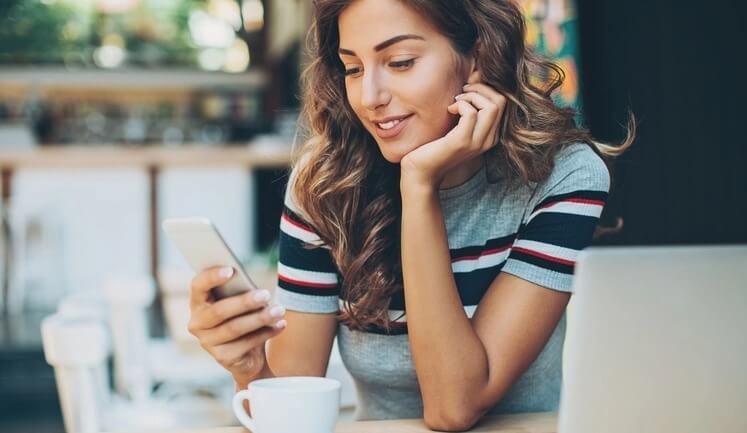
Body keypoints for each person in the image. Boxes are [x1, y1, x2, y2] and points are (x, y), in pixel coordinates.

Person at [186, 0, 634, 430]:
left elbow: (454, 406)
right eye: (353, 68)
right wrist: (249, 369)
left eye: (400, 62)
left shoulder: (562, 174)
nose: (370, 97)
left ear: (477, 55)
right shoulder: (326, 186)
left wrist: (418, 186)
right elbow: (289, 415)